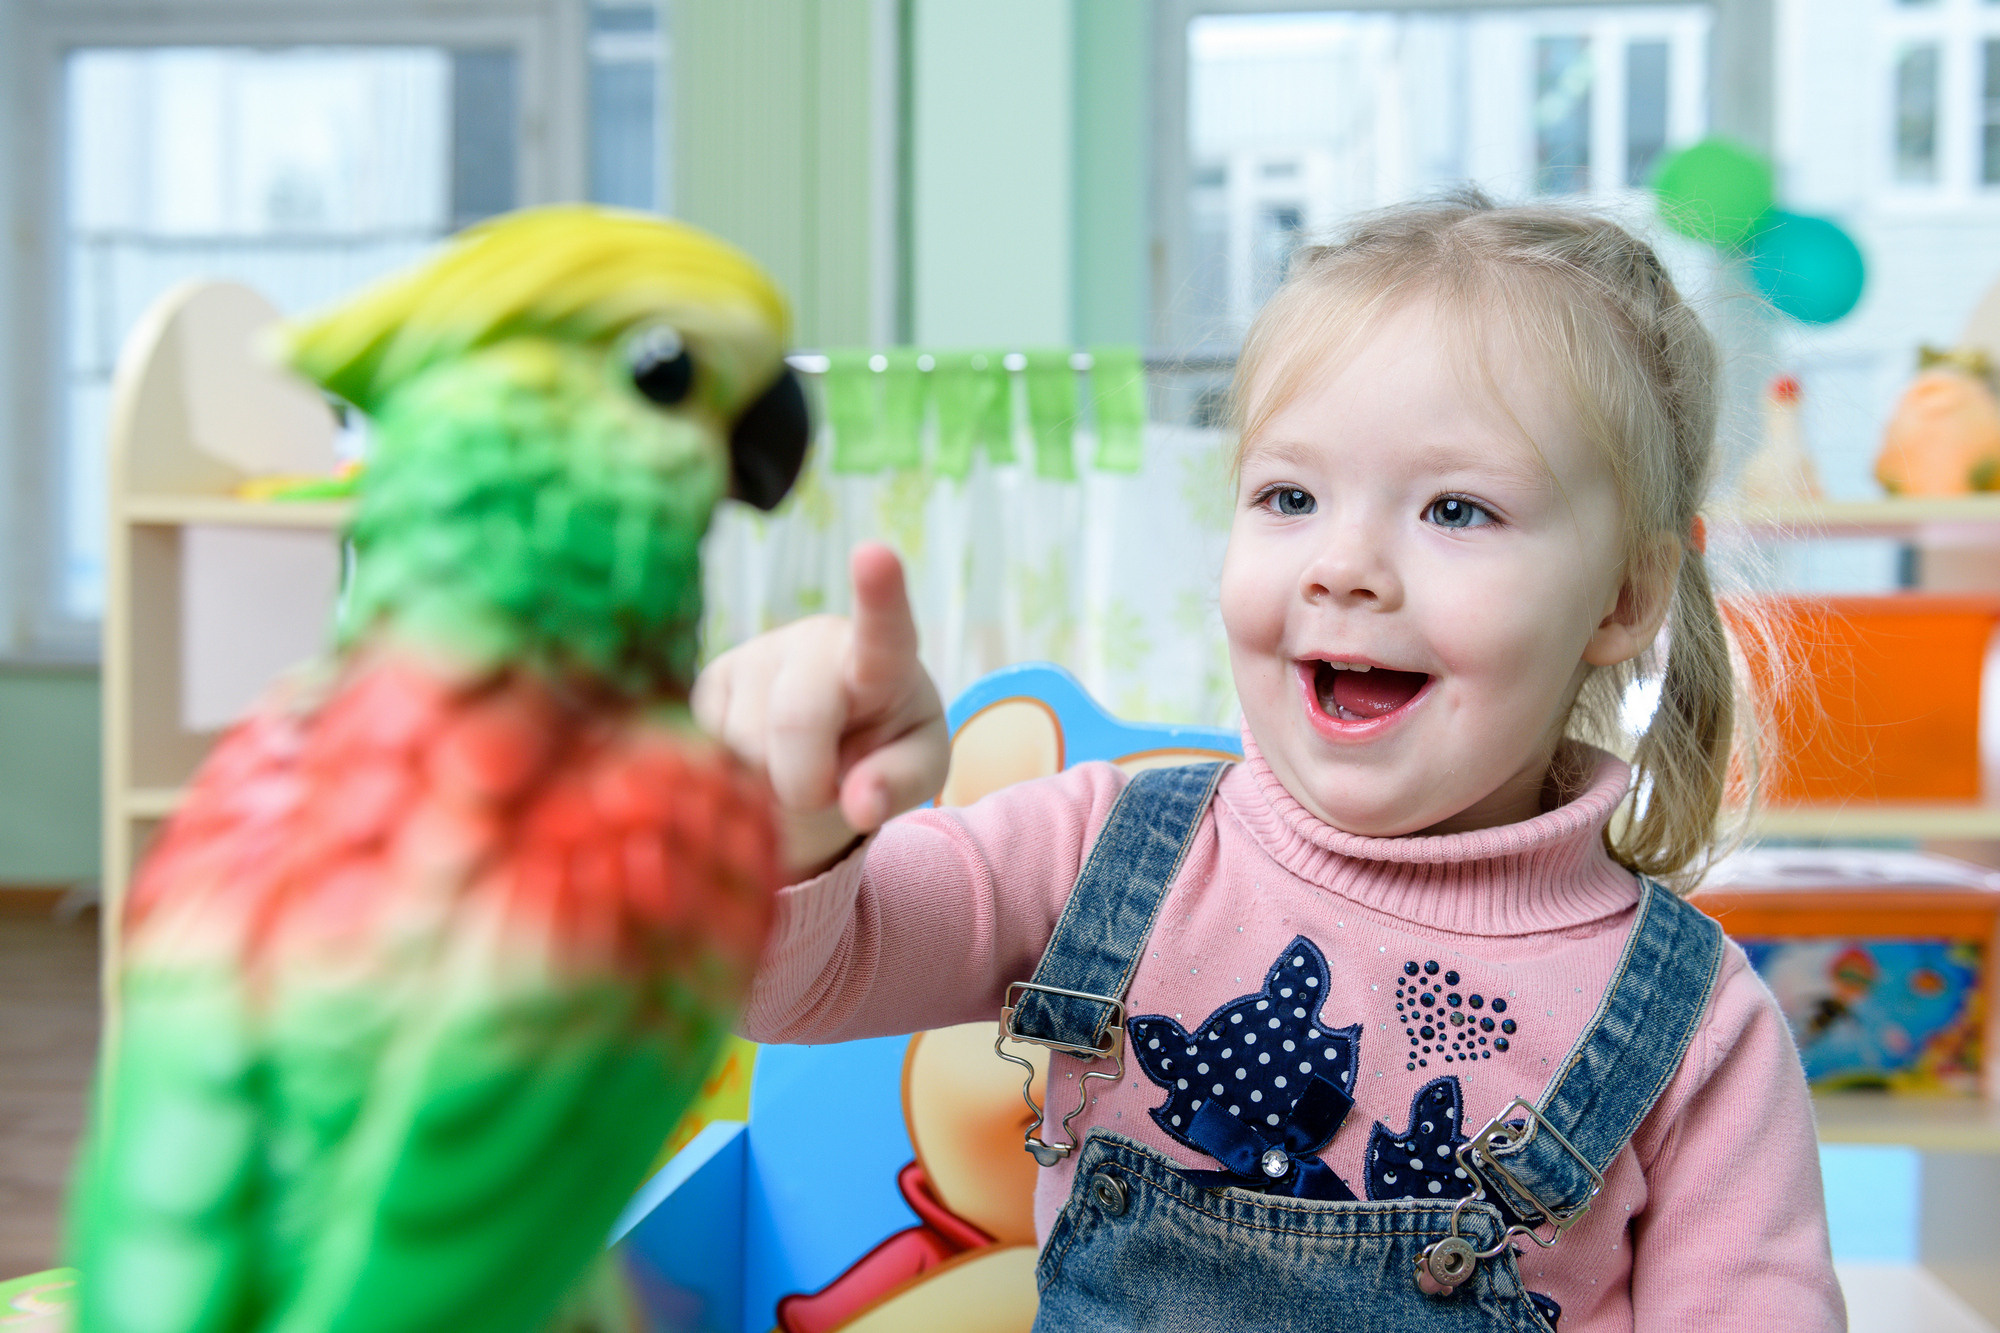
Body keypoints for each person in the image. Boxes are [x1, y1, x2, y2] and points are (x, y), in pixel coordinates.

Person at [693, 194, 1844, 1331]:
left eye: (1454, 508)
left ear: (1625, 595)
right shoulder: (1099, 852)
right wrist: (794, 821)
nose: (1342, 564)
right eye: (1288, 495)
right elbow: (777, 982)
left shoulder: (1696, 1030)